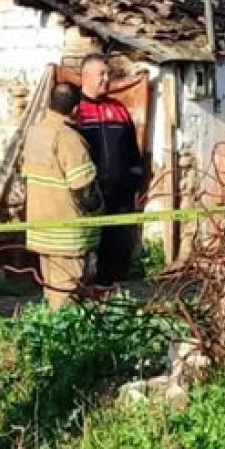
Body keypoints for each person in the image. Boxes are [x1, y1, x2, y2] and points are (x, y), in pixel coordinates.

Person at [23, 83, 104, 309]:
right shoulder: (69, 139)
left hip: (41, 231)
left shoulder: (34, 133)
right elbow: (84, 189)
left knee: (52, 292)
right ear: (76, 109)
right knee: (67, 298)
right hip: (67, 236)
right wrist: (99, 211)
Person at [73, 55, 144, 287]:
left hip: (119, 197)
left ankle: (115, 298)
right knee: (85, 251)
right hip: (90, 197)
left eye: (107, 74)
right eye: (101, 74)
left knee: (117, 251)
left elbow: (132, 150)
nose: (106, 79)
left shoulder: (118, 110)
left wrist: (135, 180)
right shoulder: (77, 113)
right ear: (85, 77)